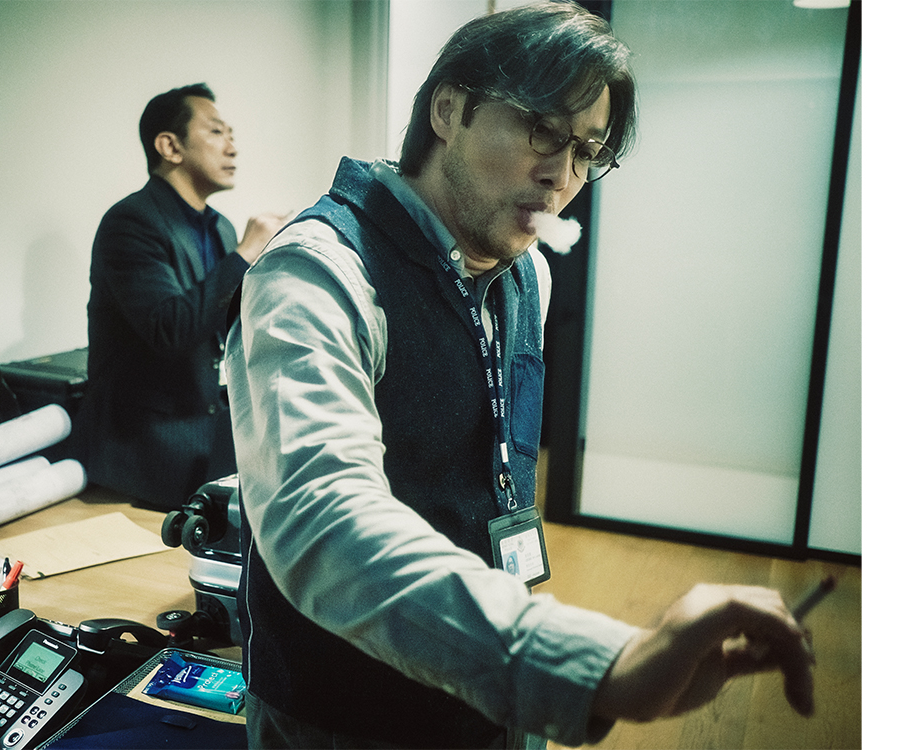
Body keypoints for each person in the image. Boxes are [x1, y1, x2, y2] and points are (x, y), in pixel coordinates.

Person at [225, 3, 815, 748]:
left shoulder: (528, 272)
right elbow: (322, 522)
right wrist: (594, 664)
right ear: (448, 109)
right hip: (344, 715)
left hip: (494, 689)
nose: (561, 175)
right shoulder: (316, 272)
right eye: (541, 129)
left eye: (586, 151)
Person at [85, 83, 286, 510]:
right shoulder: (130, 222)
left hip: (208, 443)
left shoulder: (221, 227)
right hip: (141, 458)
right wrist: (245, 254)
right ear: (170, 147)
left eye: (231, 134)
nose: (232, 147)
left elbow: (224, 326)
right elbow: (170, 328)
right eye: (216, 131)